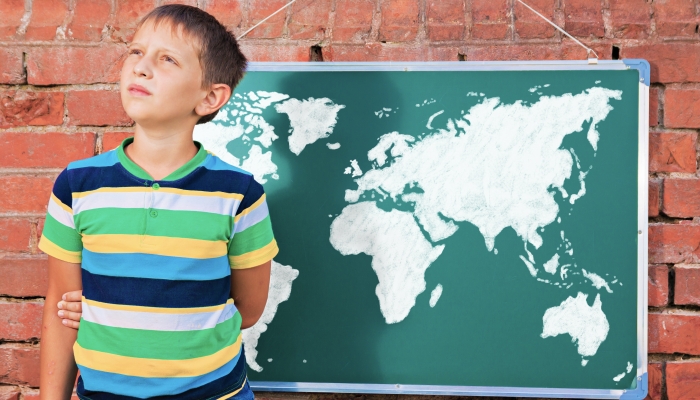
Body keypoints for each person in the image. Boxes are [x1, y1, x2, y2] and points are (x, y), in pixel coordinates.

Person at [38, 5, 277, 399]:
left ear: (210, 97)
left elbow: (248, 309)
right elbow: (64, 309)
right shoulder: (77, 185)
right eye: (135, 52)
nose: (141, 67)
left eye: (166, 59)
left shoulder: (239, 194)